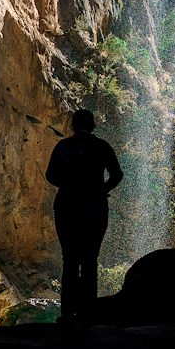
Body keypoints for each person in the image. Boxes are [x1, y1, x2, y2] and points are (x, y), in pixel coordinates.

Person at [45, 108, 123, 330]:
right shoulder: (102, 147)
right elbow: (117, 175)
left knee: (70, 260)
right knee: (90, 260)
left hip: (67, 206)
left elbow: (50, 175)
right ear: (94, 126)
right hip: (95, 207)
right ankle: (88, 315)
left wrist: (69, 184)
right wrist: (100, 189)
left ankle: (68, 314)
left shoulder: (63, 147)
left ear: (72, 125)